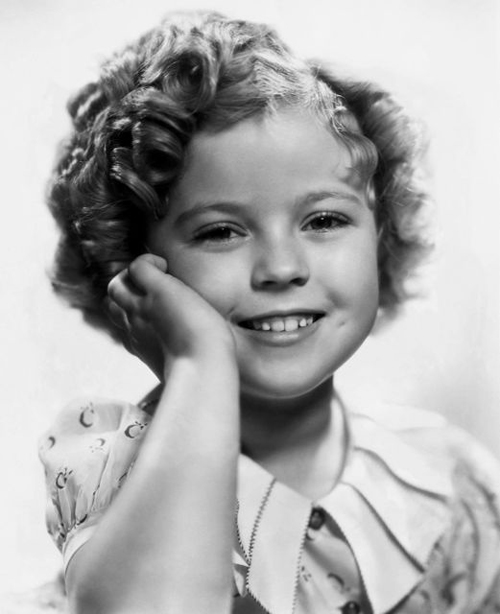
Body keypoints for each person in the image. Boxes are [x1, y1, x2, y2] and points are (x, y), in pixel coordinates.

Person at [38, 10, 500, 614]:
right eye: (221, 232)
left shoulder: (447, 481)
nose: (281, 267)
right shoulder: (110, 463)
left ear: (381, 238)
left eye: (324, 220)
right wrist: (198, 361)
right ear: (132, 265)